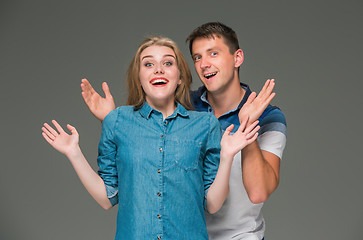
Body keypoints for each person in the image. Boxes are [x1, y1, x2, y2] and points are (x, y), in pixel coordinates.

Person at [81, 22, 287, 240]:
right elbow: (142, 143)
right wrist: (112, 119)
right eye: (197, 57)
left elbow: (258, 192)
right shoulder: (185, 106)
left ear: (237, 58)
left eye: (213, 53)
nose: (204, 64)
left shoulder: (268, 116)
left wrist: (246, 126)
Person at [41, 36, 260, 239]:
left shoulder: (205, 124)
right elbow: (107, 199)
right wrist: (74, 153)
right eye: (148, 64)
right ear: (139, 77)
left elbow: (212, 204)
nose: (158, 70)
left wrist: (228, 156)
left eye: (167, 63)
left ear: (181, 77)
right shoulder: (116, 121)